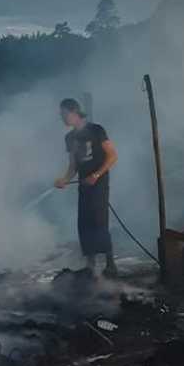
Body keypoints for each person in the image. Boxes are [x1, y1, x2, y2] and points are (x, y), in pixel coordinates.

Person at [54, 98, 118, 278]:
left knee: (99, 221)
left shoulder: (96, 130)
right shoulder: (69, 138)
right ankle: (90, 266)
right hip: (83, 184)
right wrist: (64, 179)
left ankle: (110, 264)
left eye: (64, 114)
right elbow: (73, 165)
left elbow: (113, 156)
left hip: (99, 183)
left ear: (74, 112)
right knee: (84, 222)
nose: (62, 118)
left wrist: (96, 175)